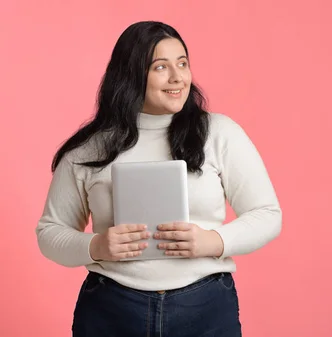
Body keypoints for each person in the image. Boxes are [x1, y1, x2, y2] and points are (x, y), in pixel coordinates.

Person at [35, 21, 282, 337]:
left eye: (182, 63)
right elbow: (49, 232)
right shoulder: (90, 147)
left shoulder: (220, 133)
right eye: (161, 67)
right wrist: (96, 245)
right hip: (112, 308)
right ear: (131, 75)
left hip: (206, 306)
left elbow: (267, 215)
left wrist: (213, 241)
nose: (178, 77)